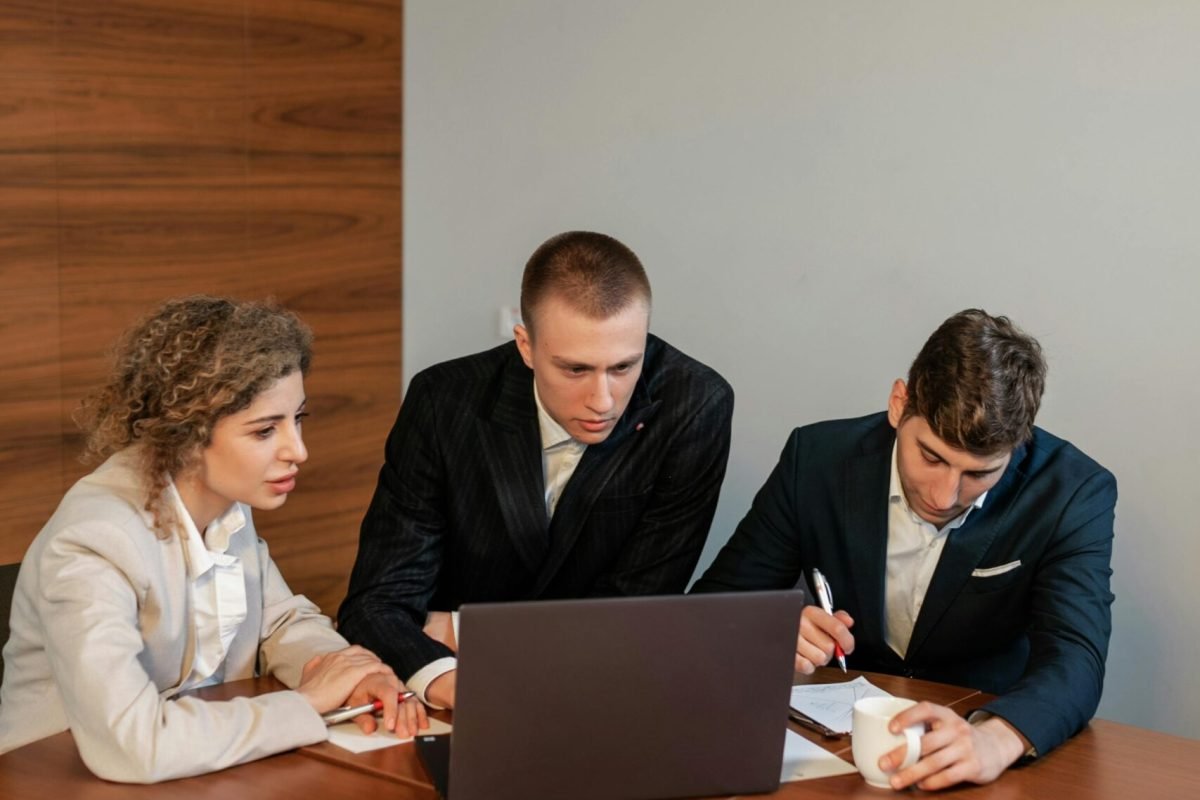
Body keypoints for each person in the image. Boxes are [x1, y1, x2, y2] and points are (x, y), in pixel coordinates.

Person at [0, 296, 426, 783]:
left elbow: (280, 620)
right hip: (55, 776)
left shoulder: (225, 501)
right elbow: (133, 744)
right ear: (186, 434)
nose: (298, 451)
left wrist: (345, 670)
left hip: (194, 766)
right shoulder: (93, 540)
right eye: (266, 430)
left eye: (297, 418)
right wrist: (307, 702)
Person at [693, 309, 1115, 791]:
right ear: (899, 404)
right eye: (931, 456)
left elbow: (1077, 657)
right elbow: (713, 608)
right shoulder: (816, 459)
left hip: (976, 754)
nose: (943, 497)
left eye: (978, 474)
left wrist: (995, 740)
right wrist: (766, 631)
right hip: (836, 753)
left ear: (1017, 447)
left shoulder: (1073, 493)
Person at [338, 231, 734, 708]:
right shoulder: (443, 401)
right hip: (446, 696)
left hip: (601, 690)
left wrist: (459, 627)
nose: (603, 401)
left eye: (625, 366)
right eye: (575, 370)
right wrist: (447, 680)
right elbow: (376, 603)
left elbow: (637, 614)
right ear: (525, 346)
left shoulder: (696, 405)